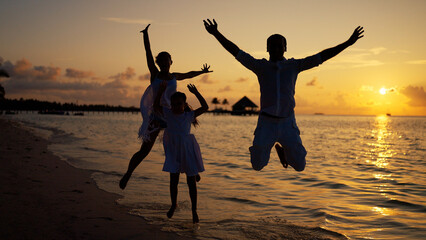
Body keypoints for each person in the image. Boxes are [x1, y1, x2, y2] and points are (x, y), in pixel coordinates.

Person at [203, 19, 364, 172]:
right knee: (257, 165)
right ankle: (272, 147)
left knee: (300, 165)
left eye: (279, 46)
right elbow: (236, 52)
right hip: (266, 122)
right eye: (272, 46)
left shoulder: (294, 66)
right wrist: (216, 33)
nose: (276, 49)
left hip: (288, 122)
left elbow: (322, 56)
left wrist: (348, 43)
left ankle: (283, 152)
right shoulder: (260, 66)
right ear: (267, 48)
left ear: (285, 48)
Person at [119, 24, 212, 189]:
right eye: (160, 60)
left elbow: (188, 74)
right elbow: (148, 53)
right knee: (144, 151)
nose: (163, 62)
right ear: (158, 63)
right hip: (157, 114)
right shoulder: (155, 74)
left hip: (171, 115)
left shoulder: (174, 76)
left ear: (171, 61)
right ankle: (128, 173)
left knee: (181, 143)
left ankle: (193, 171)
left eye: (166, 59)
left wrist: (201, 72)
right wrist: (145, 35)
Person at [154, 82, 208, 224]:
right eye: (174, 104)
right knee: (174, 180)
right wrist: (161, 90)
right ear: (171, 105)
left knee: (191, 182)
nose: (177, 107)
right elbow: (155, 106)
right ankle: (174, 204)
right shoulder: (168, 113)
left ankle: (194, 211)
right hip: (173, 150)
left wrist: (196, 92)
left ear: (184, 104)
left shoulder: (189, 115)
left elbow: (205, 107)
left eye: (179, 104)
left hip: (187, 148)